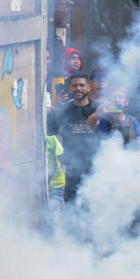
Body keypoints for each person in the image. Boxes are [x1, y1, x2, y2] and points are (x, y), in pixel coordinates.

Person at [47, 72, 101, 205]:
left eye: (82, 85)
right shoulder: (65, 109)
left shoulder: (97, 109)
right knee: (72, 213)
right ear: (70, 88)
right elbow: (50, 131)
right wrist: (55, 108)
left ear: (89, 87)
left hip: (95, 169)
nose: (78, 88)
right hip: (72, 171)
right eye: (75, 85)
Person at [86, 85, 140, 150]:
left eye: (120, 97)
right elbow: (89, 123)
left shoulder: (132, 121)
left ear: (126, 102)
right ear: (108, 100)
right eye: (113, 97)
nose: (116, 100)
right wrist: (97, 114)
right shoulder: (102, 119)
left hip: (129, 158)